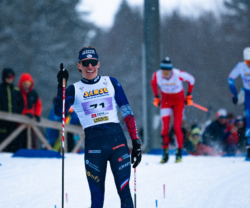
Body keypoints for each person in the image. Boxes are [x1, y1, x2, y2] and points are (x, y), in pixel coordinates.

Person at [54, 46, 141, 208]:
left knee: (125, 195)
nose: (90, 66)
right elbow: (59, 111)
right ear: (79, 65)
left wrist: (136, 141)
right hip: (94, 148)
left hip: (118, 144)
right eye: (85, 63)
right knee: (96, 201)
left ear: (98, 64)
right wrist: (61, 87)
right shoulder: (74, 89)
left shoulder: (111, 82)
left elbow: (127, 112)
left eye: (93, 62)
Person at [151, 57, 195, 163]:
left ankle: (179, 153)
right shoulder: (157, 75)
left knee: (176, 126)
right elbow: (153, 83)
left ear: (171, 70)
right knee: (165, 127)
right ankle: (165, 154)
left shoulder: (178, 74)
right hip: (166, 100)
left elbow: (191, 80)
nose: (165, 75)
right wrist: (156, 97)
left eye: (167, 72)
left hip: (178, 101)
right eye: (163, 72)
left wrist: (189, 95)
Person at [228, 47, 250, 160]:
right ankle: (249, 150)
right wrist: (234, 94)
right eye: (247, 62)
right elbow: (230, 79)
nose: (249, 65)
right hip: (248, 95)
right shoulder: (241, 66)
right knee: (249, 122)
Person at [0, 68, 24, 152]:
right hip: (2, 122)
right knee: (3, 142)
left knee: (14, 142)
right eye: (8, 76)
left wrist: (17, 114)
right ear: (4, 77)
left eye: (12, 76)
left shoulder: (16, 90)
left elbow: (21, 104)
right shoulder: (1, 89)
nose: (10, 79)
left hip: (14, 122)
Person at [18, 73, 42, 149]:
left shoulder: (33, 93)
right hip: (19, 122)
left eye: (28, 83)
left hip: (31, 121)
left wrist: (37, 114)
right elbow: (17, 107)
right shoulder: (18, 92)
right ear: (21, 83)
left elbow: (38, 105)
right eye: (25, 83)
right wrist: (24, 114)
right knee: (20, 141)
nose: (27, 85)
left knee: (32, 140)